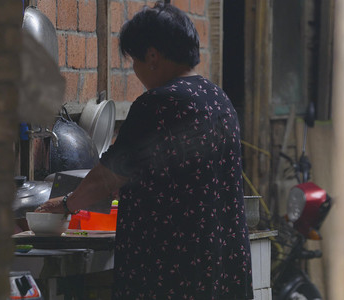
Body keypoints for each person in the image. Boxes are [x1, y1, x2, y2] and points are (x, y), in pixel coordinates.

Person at [36, 2, 253, 299]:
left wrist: (65, 205)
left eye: (134, 61)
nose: (136, 71)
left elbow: (108, 178)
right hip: (220, 268)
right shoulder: (218, 100)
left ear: (152, 56)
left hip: (172, 273)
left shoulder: (159, 104)